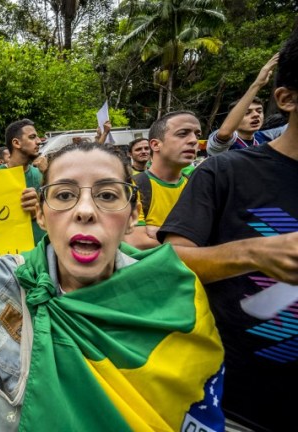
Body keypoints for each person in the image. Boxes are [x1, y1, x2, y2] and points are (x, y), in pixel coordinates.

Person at [0, 140, 225, 431]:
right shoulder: (4, 282)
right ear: (42, 215)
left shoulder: (169, 291)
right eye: (64, 195)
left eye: (107, 195)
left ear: (133, 213)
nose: (86, 210)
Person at [158, 28, 298, 431]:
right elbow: (169, 263)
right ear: (287, 99)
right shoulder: (225, 171)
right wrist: (252, 253)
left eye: (193, 134)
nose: (192, 141)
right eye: (182, 134)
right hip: (230, 407)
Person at [124, 111, 200, 250]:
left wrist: (156, 232)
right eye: (183, 133)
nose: (194, 140)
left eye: (197, 134)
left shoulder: (196, 186)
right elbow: (137, 241)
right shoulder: (133, 186)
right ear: (155, 145)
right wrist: (190, 240)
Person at [207, 53, 279, 155]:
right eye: (247, 113)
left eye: (259, 111)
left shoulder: (265, 137)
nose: (256, 115)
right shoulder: (227, 143)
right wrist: (257, 84)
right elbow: (224, 133)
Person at [0, 119, 46, 245]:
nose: (38, 141)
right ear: (16, 143)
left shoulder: (42, 174)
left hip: (41, 252)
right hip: (10, 253)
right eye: (32, 137)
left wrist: (49, 175)